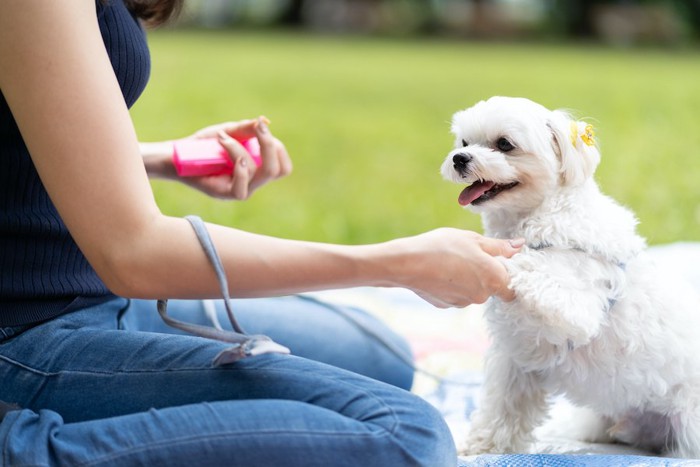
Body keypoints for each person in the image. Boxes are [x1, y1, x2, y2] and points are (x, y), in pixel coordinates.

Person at [0, 1, 522, 465]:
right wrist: (397, 263)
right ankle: (24, 447)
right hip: (26, 331)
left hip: (94, 293)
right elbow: (134, 254)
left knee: (379, 356)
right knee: (404, 435)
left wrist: (156, 159)